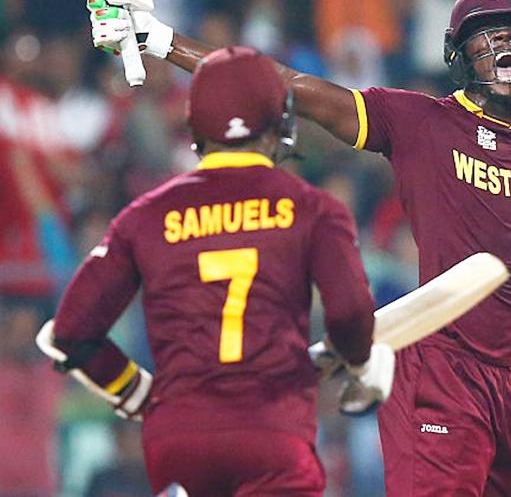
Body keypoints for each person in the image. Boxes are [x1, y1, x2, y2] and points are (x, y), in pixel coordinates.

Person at [86, 0, 511, 496]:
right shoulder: (419, 121)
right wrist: (161, 41)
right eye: (488, 39)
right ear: (459, 57)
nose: (506, 50)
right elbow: (288, 87)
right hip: (440, 369)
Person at [36, 48, 395, 497]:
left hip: (178, 439)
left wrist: (138, 395)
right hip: (271, 430)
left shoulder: (144, 215)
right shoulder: (313, 208)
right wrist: (363, 361)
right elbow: (347, 316)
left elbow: (69, 332)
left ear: (195, 126)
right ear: (278, 121)